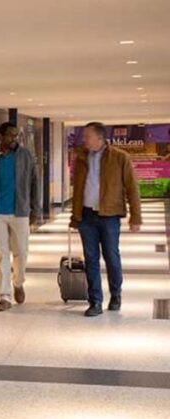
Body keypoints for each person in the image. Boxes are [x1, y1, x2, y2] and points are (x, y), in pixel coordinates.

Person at [70, 122, 142, 317]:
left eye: (88, 136)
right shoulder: (82, 158)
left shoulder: (120, 157)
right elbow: (77, 189)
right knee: (91, 259)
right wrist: (74, 215)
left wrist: (136, 217)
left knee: (111, 256)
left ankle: (116, 295)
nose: (84, 140)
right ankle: (95, 301)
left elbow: (132, 189)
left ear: (100, 138)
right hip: (86, 216)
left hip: (109, 216)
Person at [0, 122, 39, 311]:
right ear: (0, 136)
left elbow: (35, 183)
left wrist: (35, 209)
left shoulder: (25, 156)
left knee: (21, 252)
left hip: (20, 211)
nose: (14, 139)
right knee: (1, 255)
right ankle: (5, 296)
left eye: (16, 136)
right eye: (10, 135)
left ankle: (18, 282)